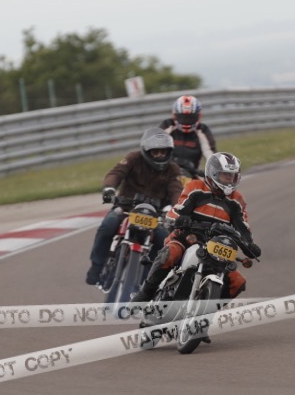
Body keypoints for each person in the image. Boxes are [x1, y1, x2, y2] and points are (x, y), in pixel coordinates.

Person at [131, 152, 262, 303]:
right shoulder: (196, 187)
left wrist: (249, 245)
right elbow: (177, 210)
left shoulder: (237, 200)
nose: (229, 180)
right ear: (212, 173)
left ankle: (210, 312)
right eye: (226, 175)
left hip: (216, 246)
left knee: (237, 282)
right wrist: (180, 219)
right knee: (170, 253)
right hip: (187, 237)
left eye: (233, 176)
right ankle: (144, 294)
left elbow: (243, 227)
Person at [85, 127, 184, 285]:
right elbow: (116, 173)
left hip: (155, 214)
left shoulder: (173, 169)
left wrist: (178, 208)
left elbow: (176, 190)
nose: (160, 155)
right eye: (155, 152)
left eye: (163, 152)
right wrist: (109, 188)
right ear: (146, 151)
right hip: (126, 208)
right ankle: (96, 267)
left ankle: (149, 279)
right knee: (108, 225)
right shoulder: (133, 158)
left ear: (169, 152)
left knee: (164, 240)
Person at [159, 95, 217, 175]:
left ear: (199, 116)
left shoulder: (202, 130)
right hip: (165, 174)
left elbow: (210, 154)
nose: (186, 121)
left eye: (190, 117)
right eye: (183, 117)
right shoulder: (167, 126)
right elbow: (155, 147)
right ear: (174, 115)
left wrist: (213, 171)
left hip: (192, 175)